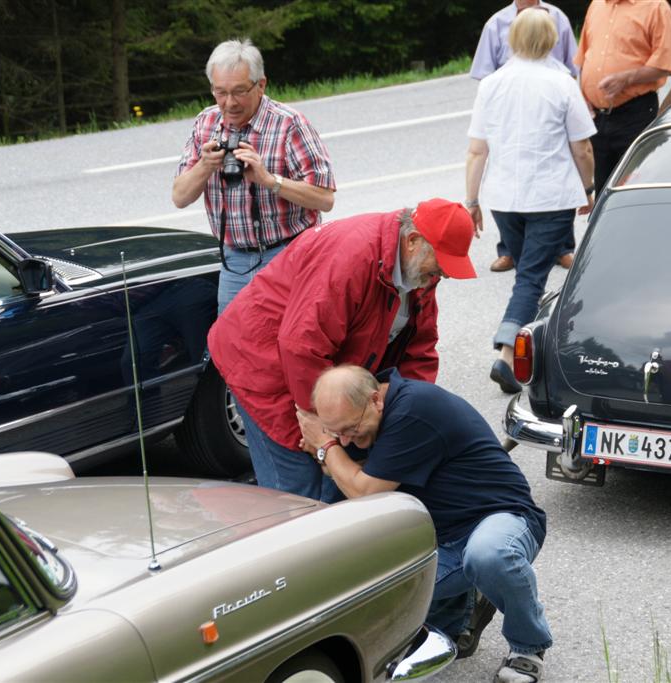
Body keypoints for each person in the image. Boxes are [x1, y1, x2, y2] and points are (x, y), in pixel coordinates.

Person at [208, 199, 477, 502]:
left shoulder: (420, 272)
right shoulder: (353, 256)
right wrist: (323, 433)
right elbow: (301, 346)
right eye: (440, 264)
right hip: (263, 365)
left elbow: (420, 350)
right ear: (413, 241)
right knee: (298, 492)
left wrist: (404, 413)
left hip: (321, 369)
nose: (444, 275)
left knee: (337, 477)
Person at [296, 365, 552, 683]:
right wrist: (335, 449)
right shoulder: (365, 417)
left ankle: (528, 646)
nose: (348, 439)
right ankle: (470, 602)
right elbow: (345, 472)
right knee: (370, 597)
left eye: (351, 429)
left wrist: (325, 446)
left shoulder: (413, 411)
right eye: (338, 433)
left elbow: (362, 491)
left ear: (376, 399)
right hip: (439, 540)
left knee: (489, 555)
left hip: (501, 519)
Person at [465, 8, 596, 394]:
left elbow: (476, 150)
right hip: (549, 195)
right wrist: (587, 188)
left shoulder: (491, 84)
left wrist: (472, 200)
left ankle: (533, 347)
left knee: (527, 276)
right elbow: (583, 147)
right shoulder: (562, 84)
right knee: (531, 278)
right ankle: (508, 354)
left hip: (504, 198)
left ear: (512, 39)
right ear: (553, 40)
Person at [172, 38, 336, 313]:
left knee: (290, 342)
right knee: (233, 347)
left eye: (239, 92)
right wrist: (206, 165)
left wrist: (268, 180)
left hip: (290, 254)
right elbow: (179, 197)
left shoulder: (288, 124)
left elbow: (325, 199)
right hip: (234, 261)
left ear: (261, 85)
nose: (229, 103)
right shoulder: (206, 122)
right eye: (220, 92)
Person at [471, 0, 580, 274]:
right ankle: (508, 249)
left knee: (557, 170)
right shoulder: (495, 23)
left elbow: (571, 63)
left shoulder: (557, 17)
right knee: (508, 175)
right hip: (510, 109)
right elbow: (485, 73)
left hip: (550, 104)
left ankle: (563, 248)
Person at [575, 0, 671, 196]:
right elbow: (583, 57)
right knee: (603, 194)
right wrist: (583, 96)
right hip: (597, 117)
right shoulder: (597, 5)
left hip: (634, 114)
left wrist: (628, 78)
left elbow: (666, 63)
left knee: (634, 191)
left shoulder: (656, 7)